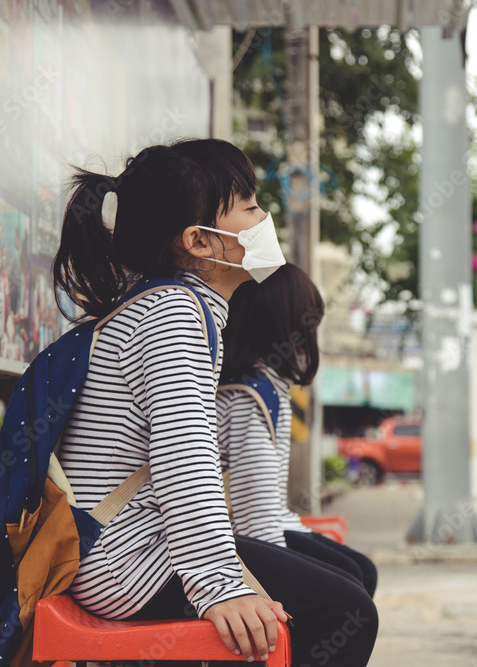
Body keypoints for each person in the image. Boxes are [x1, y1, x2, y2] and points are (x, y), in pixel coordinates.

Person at [53, 139, 377, 666]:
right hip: (122, 559)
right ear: (201, 241)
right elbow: (185, 459)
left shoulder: (166, 306)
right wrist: (220, 585)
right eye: (249, 206)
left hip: (117, 550)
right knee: (347, 611)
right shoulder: (173, 313)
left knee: (342, 594)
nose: (263, 218)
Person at [218, 264, 378, 597]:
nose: (312, 339)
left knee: (360, 571)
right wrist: (274, 590)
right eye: (310, 326)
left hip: (262, 530)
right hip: (244, 542)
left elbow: (270, 509)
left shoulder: (268, 387)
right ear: (284, 329)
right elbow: (256, 524)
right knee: (351, 596)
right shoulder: (250, 397)